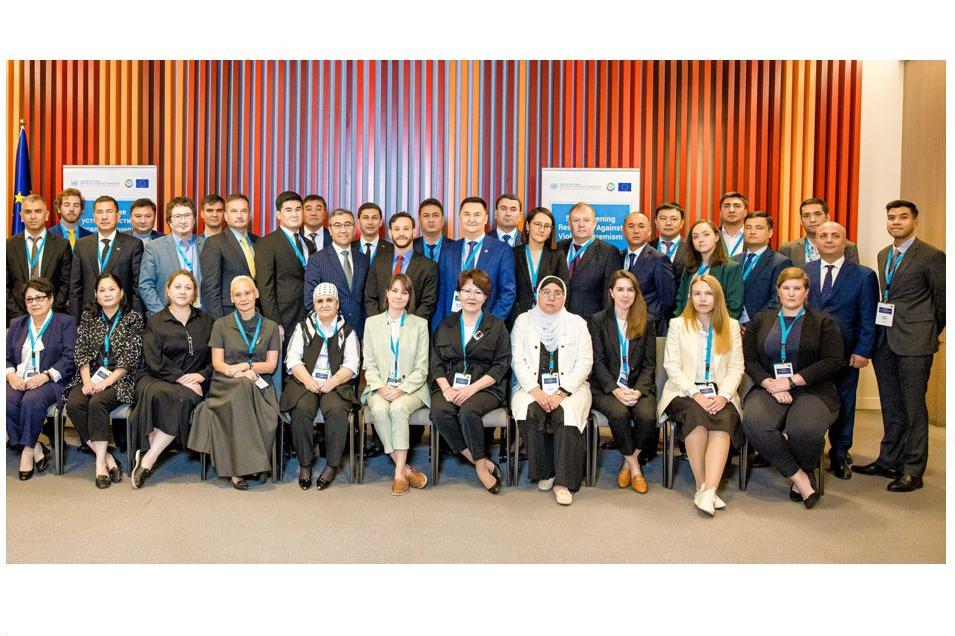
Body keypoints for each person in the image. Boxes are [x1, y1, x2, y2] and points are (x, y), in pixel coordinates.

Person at [854, 200, 945, 492]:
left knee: (914, 408)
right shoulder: (884, 255)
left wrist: (928, 331)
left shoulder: (932, 256)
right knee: (891, 404)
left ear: (915, 221)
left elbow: (943, 302)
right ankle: (889, 460)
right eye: (891, 217)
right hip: (886, 340)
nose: (896, 222)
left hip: (915, 342)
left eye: (903, 217)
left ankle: (913, 469)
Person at [741, 267, 844, 508]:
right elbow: (749, 360)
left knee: (805, 430)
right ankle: (800, 477)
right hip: (769, 387)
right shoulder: (760, 320)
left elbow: (833, 361)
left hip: (812, 389)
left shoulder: (824, 322)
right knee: (755, 423)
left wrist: (790, 381)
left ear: (806, 292)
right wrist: (770, 384)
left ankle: (804, 468)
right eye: (786, 288)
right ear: (778, 291)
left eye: (797, 288)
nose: (791, 293)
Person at [659, 274, 745, 515]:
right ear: (690, 297)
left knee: (723, 419)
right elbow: (672, 366)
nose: (702, 299)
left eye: (708, 294)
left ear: (717, 297)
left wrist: (724, 395)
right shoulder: (678, 324)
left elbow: (736, 366)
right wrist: (695, 394)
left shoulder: (731, 326)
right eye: (697, 294)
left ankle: (708, 490)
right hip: (684, 391)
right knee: (696, 416)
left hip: (720, 391)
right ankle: (703, 487)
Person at [187, 276, 280, 490]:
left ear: (256, 294)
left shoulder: (271, 326)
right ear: (231, 298)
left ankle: (243, 465)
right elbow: (217, 363)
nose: (243, 298)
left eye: (247, 293)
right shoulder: (221, 324)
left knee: (246, 388)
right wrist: (235, 372)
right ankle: (242, 468)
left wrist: (247, 368)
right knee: (242, 387)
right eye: (238, 294)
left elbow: (270, 365)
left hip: (259, 383)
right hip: (226, 383)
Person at [803, 221, 878, 479]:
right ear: (815, 242)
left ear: (845, 241)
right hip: (810, 353)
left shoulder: (864, 275)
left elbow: (868, 317)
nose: (829, 240)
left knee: (844, 402)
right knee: (810, 402)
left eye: (835, 235)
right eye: (823, 235)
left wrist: (863, 350)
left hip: (846, 353)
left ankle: (839, 454)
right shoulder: (804, 272)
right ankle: (810, 452)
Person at [129, 270, 214, 489]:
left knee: (184, 398)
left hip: (194, 380)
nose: (183, 291)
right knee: (162, 393)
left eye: (188, 287)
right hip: (157, 376)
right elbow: (153, 359)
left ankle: (148, 458)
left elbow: (214, 357)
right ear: (168, 290)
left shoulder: (206, 320)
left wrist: (202, 375)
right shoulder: (155, 321)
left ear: (194, 293)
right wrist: (181, 378)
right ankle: (150, 457)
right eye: (178, 287)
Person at [511, 276, 592, 505]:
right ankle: (545, 472)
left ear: (564, 297)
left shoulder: (577, 323)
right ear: (537, 294)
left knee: (565, 414)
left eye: (557, 293)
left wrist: (561, 393)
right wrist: (536, 392)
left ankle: (563, 482)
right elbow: (517, 360)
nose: (551, 297)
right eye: (546, 292)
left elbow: (585, 362)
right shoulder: (523, 321)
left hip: (571, 389)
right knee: (530, 411)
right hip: (531, 387)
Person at [429, 270, 510, 493]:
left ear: (486, 297)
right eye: (466, 291)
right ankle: (478, 460)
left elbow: (501, 364)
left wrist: (472, 389)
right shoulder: (445, 325)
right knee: (439, 411)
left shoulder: (496, 326)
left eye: (478, 292)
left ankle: (481, 469)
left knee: (467, 411)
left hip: (486, 387)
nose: (471, 297)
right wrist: (446, 389)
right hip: (450, 386)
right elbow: (435, 362)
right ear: (458, 294)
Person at [65, 272, 145, 489]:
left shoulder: (133, 318)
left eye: (112, 289)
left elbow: (131, 358)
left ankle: (100, 464)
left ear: (121, 293)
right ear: (96, 295)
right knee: (74, 403)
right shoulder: (88, 317)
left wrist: (106, 382)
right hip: (91, 375)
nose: (107, 294)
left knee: (97, 402)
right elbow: (81, 352)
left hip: (122, 377)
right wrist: (87, 382)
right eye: (102, 290)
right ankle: (108, 457)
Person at [281, 283, 360, 490]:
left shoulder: (347, 331)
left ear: (337, 304)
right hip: (305, 381)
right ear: (314, 304)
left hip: (336, 383)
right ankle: (305, 464)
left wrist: (332, 381)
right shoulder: (303, 328)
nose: (324, 304)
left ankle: (332, 465)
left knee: (336, 410)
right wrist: (309, 381)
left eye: (329, 300)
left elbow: (352, 364)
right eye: (320, 301)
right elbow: (292, 359)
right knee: (300, 410)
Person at [588, 270, 658, 493]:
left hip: (638, 385)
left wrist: (638, 391)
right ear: (611, 292)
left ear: (636, 293)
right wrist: (616, 390)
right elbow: (597, 363)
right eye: (620, 289)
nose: (625, 295)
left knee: (647, 416)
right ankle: (635, 468)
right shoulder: (598, 321)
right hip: (606, 388)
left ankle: (628, 462)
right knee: (619, 414)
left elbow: (649, 364)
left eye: (630, 290)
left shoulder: (646, 321)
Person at [361, 274, 431, 495]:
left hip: (411, 388)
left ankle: (399, 474)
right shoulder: (371, 323)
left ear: (409, 297)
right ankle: (406, 469)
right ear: (387, 293)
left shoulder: (420, 325)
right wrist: (380, 387)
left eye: (404, 292)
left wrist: (401, 390)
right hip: (379, 386)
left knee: (399, 408)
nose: (399, 296)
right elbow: (368, 363)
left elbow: (422, 368)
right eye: (395, 290)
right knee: (380, 410)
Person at [6, 279, 76, 480]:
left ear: (50, 299)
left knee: (31, 400)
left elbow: (69, 358)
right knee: (6, 400)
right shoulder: (17, 324)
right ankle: (36, 446)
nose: (34, 303)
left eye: (39, 298)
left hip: (53, 380)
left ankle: (27, 451)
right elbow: (6, 357)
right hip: (21, 379)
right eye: (29, 299)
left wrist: (45, 376)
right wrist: (10, 375)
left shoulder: (65, 322)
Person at [433, 196, 516, 330]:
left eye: (477, 215)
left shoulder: (502, 250)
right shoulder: (448, 250)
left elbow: (507, 293)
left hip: (486, 327)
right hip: (452, 327)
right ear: (460, 218)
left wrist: (490, 325)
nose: (471, 219)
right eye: (467, 214)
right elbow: (441, 295)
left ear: (485, 218)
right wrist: (437, 330)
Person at [69, 195, 145, 318]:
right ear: (94, 217)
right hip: (89, 315)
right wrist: (75, 321)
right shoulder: (81, 245)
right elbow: (75, 287)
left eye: (109, 212)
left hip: (123, 316)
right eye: (100, 212)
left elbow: (137, 287)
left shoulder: (133, 245)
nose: (104, 217)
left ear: (118, 216)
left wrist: (136, 318)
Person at [303, 208, 370, 338]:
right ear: (330, 230)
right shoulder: (317, 260)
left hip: (361, 332)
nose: (343, 230)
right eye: (338, 225)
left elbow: (367, 298)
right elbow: (310, 300)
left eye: (348, 225)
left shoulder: (363, 259)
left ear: (354, 228)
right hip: (329, 334)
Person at [6, 194, 72, 323]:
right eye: (28, 212)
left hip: (52, 318)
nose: (33, 216)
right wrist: (20, 316)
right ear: (21, 216)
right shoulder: (8, 246)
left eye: (38, 211)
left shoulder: (62, 245)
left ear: (46, 215)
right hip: (16, 319)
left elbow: (66, 284)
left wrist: (48, 312)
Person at [364, 211, 439, 323]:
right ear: (390, 233)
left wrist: (406, 326)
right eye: (397, 229)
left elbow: (428, 303)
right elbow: (370, 298)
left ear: (414, 232)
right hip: (381, 328)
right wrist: (381, 324)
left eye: (406, 229)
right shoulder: (378, 262)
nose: (401, 233)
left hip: (412, 329)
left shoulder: (429, 266)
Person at [255, 191, 308, 345]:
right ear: (278, 215)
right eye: (288, 210)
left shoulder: (308, 243)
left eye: (298, 209)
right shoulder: (266, 243)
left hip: (307, 316)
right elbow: (265, 287)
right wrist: (275, 323)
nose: (294, 214)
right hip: (283, 317)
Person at [138, 196, 206, 316]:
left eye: (187, 215)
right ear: (170, 222)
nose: (183, 221)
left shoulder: (206, 245)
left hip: (201, 315)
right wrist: (162, 315)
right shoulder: (154, 247)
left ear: (194, 219)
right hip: (166, 315)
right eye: (177, 216)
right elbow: (146, 285)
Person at [199, 193, 259, 318]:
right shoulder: (214, 243)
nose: (239, 215)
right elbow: (210, 288)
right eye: (234, 211)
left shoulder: (259, 241)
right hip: (229, 314)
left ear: (249, 215)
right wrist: (219, 322)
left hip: (258, 314)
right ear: (226, 216)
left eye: (243, 211)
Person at [559, 202, 621, 321]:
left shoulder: (609, 252)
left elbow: (609, 296)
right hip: (558, 320)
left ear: (594, 223)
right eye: (576, 220)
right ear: (569, 223)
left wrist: (604, 325)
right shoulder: (558, 248)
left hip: (591, 323)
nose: (581, 225)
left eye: (586, 220)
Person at [673, 219, 744, 319]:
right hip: (688, 323)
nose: (700, 240)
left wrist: (712, 325)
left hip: (718, 325)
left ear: (717, 237)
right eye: (695, 237)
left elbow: (734, 307)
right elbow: (680, 302)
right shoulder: (690, 268)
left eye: (706, 235)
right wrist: (679, 322)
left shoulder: (730, 268)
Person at [511, 206, 569, 324]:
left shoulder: (557, 254)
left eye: (547, 226)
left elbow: (564, 287)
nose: (542, 229)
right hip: (518, 317)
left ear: (551, 230)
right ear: (528, 226)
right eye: (537, 224)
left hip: (550, 318)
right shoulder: (514, 253)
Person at [734, 211, 792, 328]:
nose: (752, 232)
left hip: (762, 328)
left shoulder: (781, 262)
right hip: (732, 327)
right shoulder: (733, 260)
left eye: (759, 228)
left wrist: (753, 325)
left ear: (770, 233)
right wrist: (733, 323)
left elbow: (777, 299)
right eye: (748, 227)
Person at [622, 211, 676, 334]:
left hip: (650, 327)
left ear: (649, 231)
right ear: (623, 231)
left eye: (641, 226)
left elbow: (668, 300)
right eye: (631, 226)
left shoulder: (659, 259)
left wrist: (651, 317)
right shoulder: (618, 256)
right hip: (622, 324)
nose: (636, 231)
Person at [780, 197, 860, 266]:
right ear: (801, 221)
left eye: (817, 214)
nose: (812, 220)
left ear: (827, 217)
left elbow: (855, 276)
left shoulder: (848, 247)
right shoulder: (788, 248)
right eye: (807, 216)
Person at [652, 201, 689, 272]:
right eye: (663, 218)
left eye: (674, 219)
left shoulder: (691, 248)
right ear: (656, 222)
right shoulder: (648, 247)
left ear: (682, 223)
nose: (668, 223)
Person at [354, 202, 391, 266]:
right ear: (358, 222)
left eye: (374, 218)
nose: (370, 222)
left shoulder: (391, 249)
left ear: (380, 222)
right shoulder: (349, 248)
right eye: (365, 218)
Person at [413, 197, 446, 263]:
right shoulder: (410, 247)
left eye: (435, 215)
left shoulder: (455, 247)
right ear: (419, 221)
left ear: (443, 221)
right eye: (426, 216)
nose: (431, 220)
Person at [717, 191, 748, 258]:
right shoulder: (713, 235)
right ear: (720, 213)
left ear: (745, 212)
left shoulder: (753, 235)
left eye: (737, 206)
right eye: (726, 206)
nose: (731, 210)